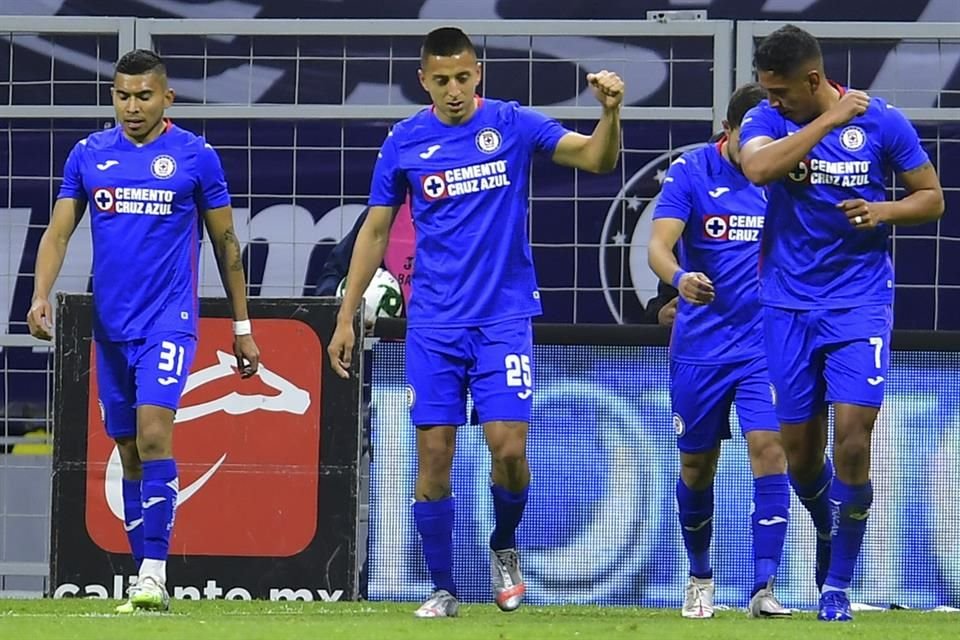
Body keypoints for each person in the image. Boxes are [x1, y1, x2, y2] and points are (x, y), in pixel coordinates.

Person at [328, 26, 623, 617]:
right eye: (441, 80)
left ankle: (503, 544)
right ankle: (443, 587)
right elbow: (377, 230)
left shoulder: (512, 124)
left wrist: (611, 114)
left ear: (478, 73)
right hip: (434, 325)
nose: (454, 90)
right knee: (434, 455)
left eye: (463, 77)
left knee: (508, 449)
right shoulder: (406, 141)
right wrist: (345, 315)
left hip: (504, 318)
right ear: (424, 81)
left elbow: (596, 158)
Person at [26, 49, 260, 613]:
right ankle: (142, 576)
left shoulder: (195, 157)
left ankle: (155, 573)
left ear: (167, 98)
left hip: (168, 321)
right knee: (128, 447)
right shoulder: (89, 155)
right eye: (123, 95)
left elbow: (227, 247)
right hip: (111, 328)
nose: (132, 107)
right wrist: (39, 295)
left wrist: (242, 326)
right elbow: (57, 234)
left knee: (155, 434)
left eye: (144, 96)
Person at [739, 25, 944, 621]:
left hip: (858, 303)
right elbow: (757, 171)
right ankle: (831, 534)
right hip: (785, 305)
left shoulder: (882, 123)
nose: (772, 100)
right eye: (766, 91)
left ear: (813, 78)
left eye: (781, 91)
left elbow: (931, 197)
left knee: (853, 438)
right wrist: (826, 122)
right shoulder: (765, 119)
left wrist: (884, 209)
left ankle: (838, 586)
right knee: (801, 456)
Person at [648, 83, 791, 619]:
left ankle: (764, 588)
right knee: (696, 468)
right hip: (702, 348)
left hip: (764, 345)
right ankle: (700, 577)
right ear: (730, 131)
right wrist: (680, 279)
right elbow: (658, 246)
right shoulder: (691, 172)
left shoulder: (783, 171)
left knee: (770, 449)